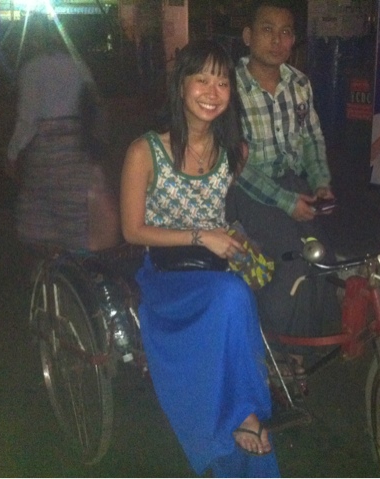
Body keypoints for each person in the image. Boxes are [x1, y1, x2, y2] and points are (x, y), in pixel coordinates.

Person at [119, 39, 280, 478]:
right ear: (181, 85)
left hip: (215, 270)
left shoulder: (234, 151)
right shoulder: (145, 152)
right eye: (202, 79)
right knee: (232, 295)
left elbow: (250, 200)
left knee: (236, 291)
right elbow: (132, 230)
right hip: (166, 274)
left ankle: (241, 414)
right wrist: (200, 236)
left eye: (222, 82)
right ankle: (245, 411)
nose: (212, 91)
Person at [225, 0, 341, 375]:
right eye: (267, 29)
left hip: (294, 186)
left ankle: (302, 350)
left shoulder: (299, 83)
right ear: (248, 36)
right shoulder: (229, 87)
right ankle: (275, 355)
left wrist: (320, 182)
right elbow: (235, 162)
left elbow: (312, 139)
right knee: (289, 261)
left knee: (321, 258)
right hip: (247, 191)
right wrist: (286, 201)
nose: (277, 40)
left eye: (286, 32)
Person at [6, 14, 119, 252]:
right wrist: (100, 145)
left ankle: (51, 270)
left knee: (41, 224)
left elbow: (27, 120)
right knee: (77, 218)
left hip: (45, 151)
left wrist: (12, 153)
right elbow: (96, 105)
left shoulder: (31, 69)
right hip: (76, 147)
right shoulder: (76, 64)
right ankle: (76, 269)